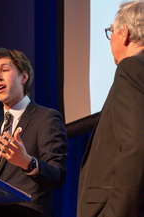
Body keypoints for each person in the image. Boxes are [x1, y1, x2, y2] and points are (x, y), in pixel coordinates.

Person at [0, 48, 68, 217]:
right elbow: (1, 185)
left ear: (24, 77)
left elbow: (58, 176)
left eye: (5, 70)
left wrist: (28, 163)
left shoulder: (46, 118)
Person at [77, 1, 144, 216]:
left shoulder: (131, 68)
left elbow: (135, 147)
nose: (111, 39)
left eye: (110, 32)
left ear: (124, 33)